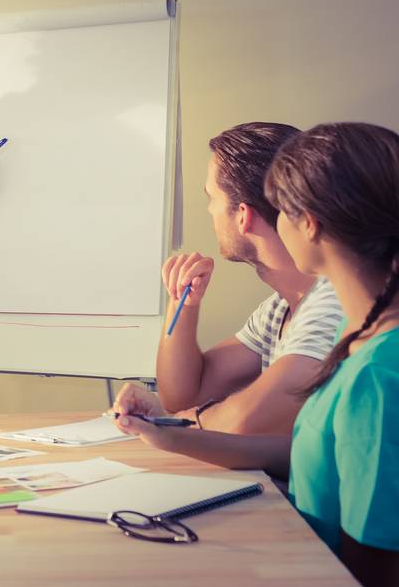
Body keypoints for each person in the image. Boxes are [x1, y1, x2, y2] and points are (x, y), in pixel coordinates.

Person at [114, 122, 399, 586]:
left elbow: (376, 566)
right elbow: (312, 450)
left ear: (309, 223)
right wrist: (173, 436)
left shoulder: (376, 370)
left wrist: (188, 421)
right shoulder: (364, 335)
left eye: (282, 209)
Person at [116, 123, 343, 434]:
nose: (210, 211)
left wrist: (172, 425)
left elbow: (244, 418)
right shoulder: (279, 310)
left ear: (243, 215)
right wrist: (182, 303)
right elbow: (182, 395)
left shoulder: (333, 301)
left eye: (212, 198)